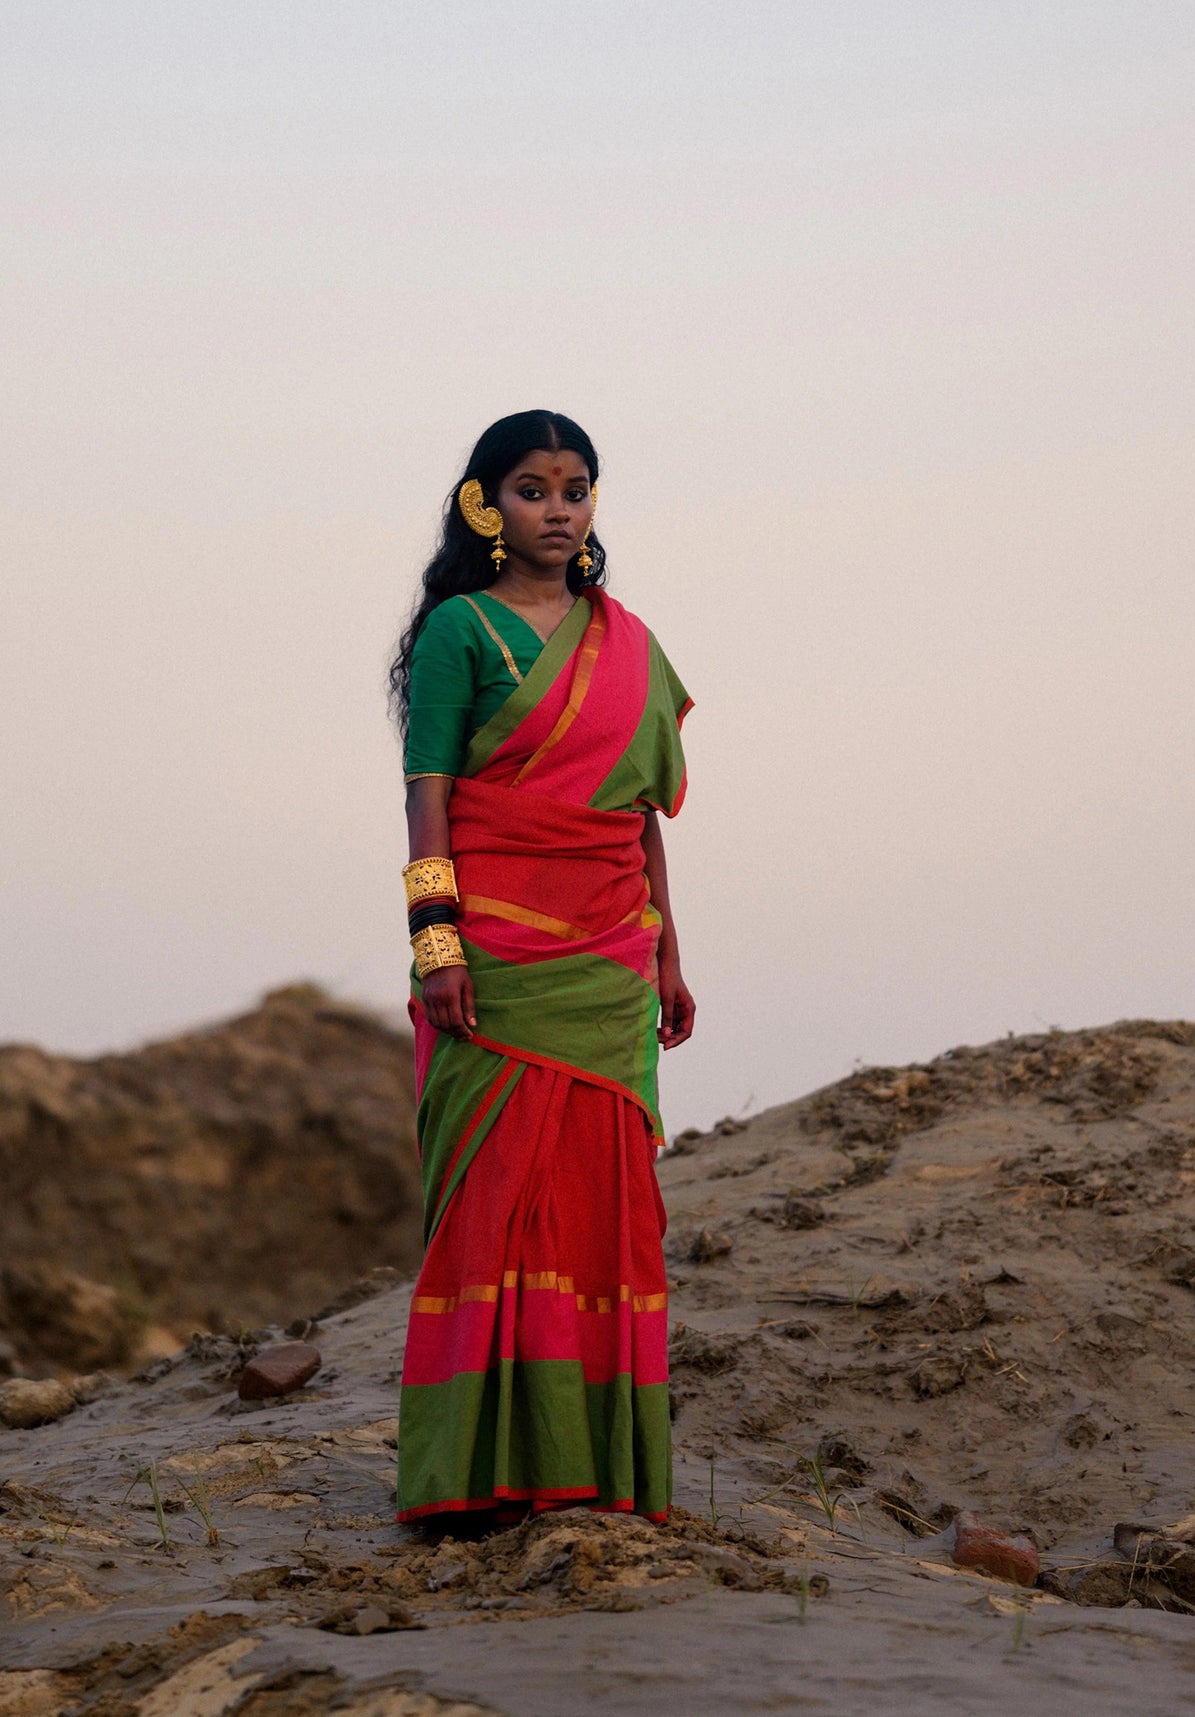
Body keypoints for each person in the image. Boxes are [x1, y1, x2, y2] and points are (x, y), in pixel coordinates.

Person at [390, 409, 694, 1529]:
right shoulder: (458, 632)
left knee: (602, 1208)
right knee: (488, 1202)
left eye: (574, 489)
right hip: (496, 952)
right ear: (486, 504)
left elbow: (642, 812)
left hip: (611, 957)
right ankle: (472, 1478)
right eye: (531, 488)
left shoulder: (627, 640)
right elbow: (426, 794)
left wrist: (668, 951)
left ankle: (593, 1471)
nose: (556, 510)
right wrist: (436, 943)